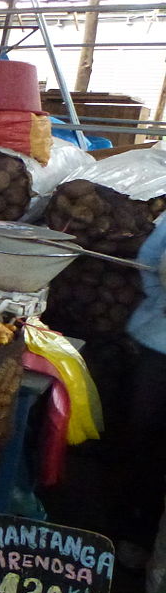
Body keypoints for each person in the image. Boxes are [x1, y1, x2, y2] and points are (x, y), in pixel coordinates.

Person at [120, 213, 166, 567]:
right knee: (146, 440)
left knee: (145, 440)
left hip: (158, 340)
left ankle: (138, 535)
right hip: (159, 342)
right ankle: (137, 533)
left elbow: (149, 258)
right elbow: (150, 259)